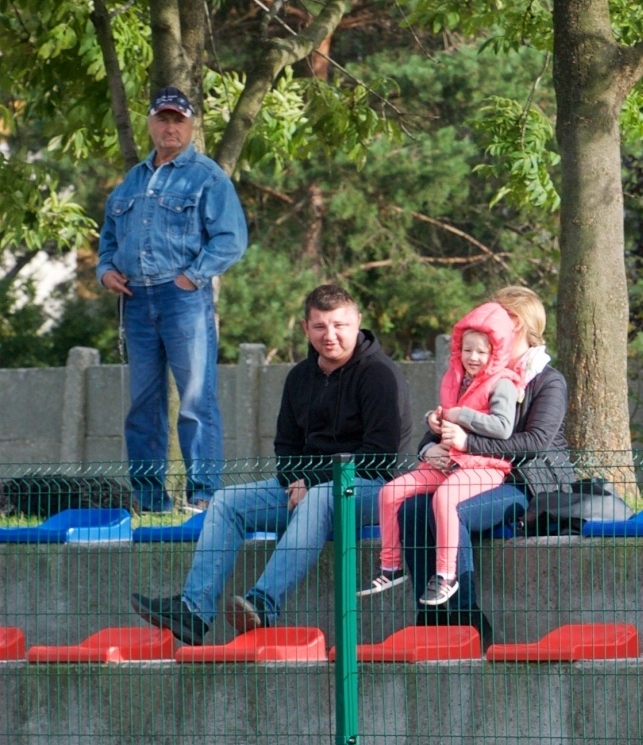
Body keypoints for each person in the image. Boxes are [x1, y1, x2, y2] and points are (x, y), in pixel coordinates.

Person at [131, 285, 409, 644]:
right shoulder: (299, 378)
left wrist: (309, 480)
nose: (331, 335)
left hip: (371, 489)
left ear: (357, 324)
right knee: (227, 502)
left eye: (340, 325)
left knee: (321, 497)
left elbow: (380, 456)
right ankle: (193, 612)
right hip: (307, 488)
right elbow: (286, 445)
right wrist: (296, 477)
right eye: (320, 326)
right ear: (306, 329)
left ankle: (262, 603)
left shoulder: (380, 375)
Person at [397, 286, 576, 647]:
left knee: (454, 507)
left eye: (499, 323)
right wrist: (429, 446)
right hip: (471, 473)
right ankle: (430, 615)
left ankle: (467, 619)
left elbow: (535, 443)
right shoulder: (476, 374)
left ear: (519, 328)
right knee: (412, 509)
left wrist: (469, 443)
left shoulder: (547, 381)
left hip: (524, 484)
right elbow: (449, 425)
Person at [97, 87, 248, 513]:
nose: (170, 127)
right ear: (150, 124)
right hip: (135, 300)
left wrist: (191, 278)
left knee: (196, 399)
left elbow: (231, 239)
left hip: (183, 298)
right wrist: (105, 270)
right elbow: (108, 238)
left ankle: (203, 497)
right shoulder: (132, 181)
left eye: (178, 119)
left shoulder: (207, 177)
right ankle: (149, 500)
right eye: (162, 119)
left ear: (191, 125)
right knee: (143, 404)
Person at [362, 302, 525, 607]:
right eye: (467, 350)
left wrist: (459, 415)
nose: (473, 357)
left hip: (485, 465)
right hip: (449, 461)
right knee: (391, 492)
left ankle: (447, 575)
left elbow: (503, 427)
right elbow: (448, 418)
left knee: (446, 498)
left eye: (481, 352)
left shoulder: (502, 383)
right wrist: (435, 421)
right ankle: (391, 566)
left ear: (496, 353)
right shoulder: (455, 378)